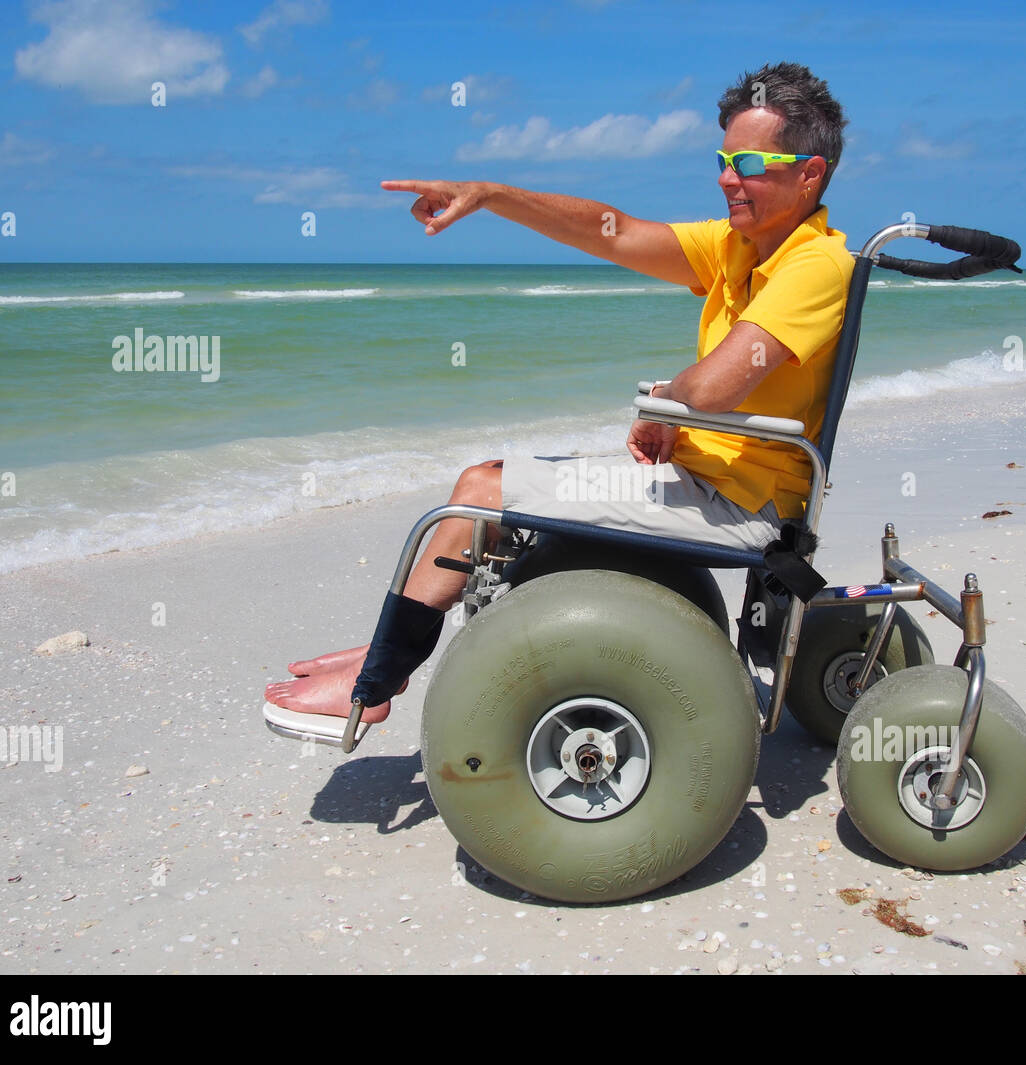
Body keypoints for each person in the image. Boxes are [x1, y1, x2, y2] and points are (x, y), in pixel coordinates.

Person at [264, 61, 854, 722]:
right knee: (485, 481)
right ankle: (385, 647)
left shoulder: (816, 263)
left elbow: (717, 384)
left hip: (744, 506)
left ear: (809, 173)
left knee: (484, 488)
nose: (725, 177)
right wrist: (489, 195)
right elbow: (617, 231)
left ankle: (373, 687)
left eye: (749, 161)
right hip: (701, 481)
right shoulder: (738, 246)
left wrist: (665, 401)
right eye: (723, 158)